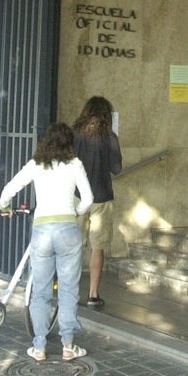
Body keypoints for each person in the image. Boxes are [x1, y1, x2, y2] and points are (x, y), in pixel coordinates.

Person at [0, 122, 93, 363]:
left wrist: (4, 207)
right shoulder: (75, 165)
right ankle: (68, 345)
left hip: (42, 230)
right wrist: (76, 211)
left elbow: (9, 189)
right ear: (69, 142)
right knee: (68, 289)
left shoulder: (36, 165)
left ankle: (39, 346)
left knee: (40, 291)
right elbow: (89, 199)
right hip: (68, 230)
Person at [73, 95, 123, 310]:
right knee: (97, 248)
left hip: (77, 197)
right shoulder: (110, 137)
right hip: (101, 197)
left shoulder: (75, 134)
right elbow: (117, 168)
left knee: (74, 247)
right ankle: (93, 295)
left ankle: (71, 292)